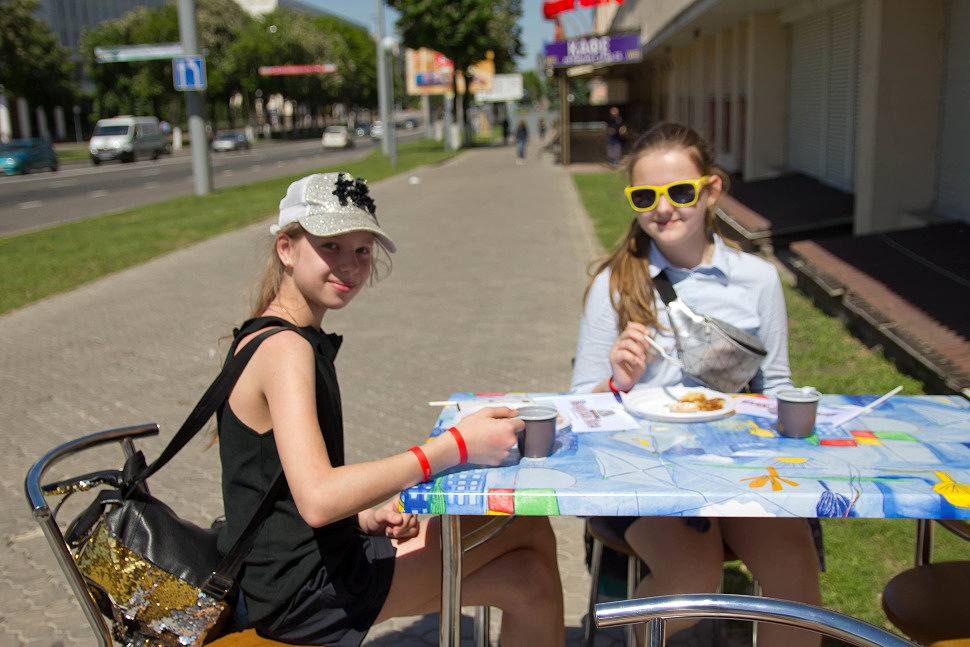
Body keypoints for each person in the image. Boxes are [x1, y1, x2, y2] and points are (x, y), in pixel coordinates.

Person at [217, 172, 565, 647]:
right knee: (526, 525)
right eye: (331, 246)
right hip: (297, 591)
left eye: (362, 250)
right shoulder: (284, 349)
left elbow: (278, 489)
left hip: (301, 567)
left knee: (529, 582)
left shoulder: (280, 334)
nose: (350, 265)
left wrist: (363, 519)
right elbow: (317, 499)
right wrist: (453, 447)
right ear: (286, 249)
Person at [570, 123, 821, 647]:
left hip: (741, 467)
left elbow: (776, 386)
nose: (663, 208)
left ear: (711, 190)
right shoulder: (614, 284)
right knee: (690, 583)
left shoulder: (757, 279)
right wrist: (616, 382)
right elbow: (577, 407)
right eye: (645, 196)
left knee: (795, 582)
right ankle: (620, 636)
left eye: (680, 191)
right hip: (645, 469)